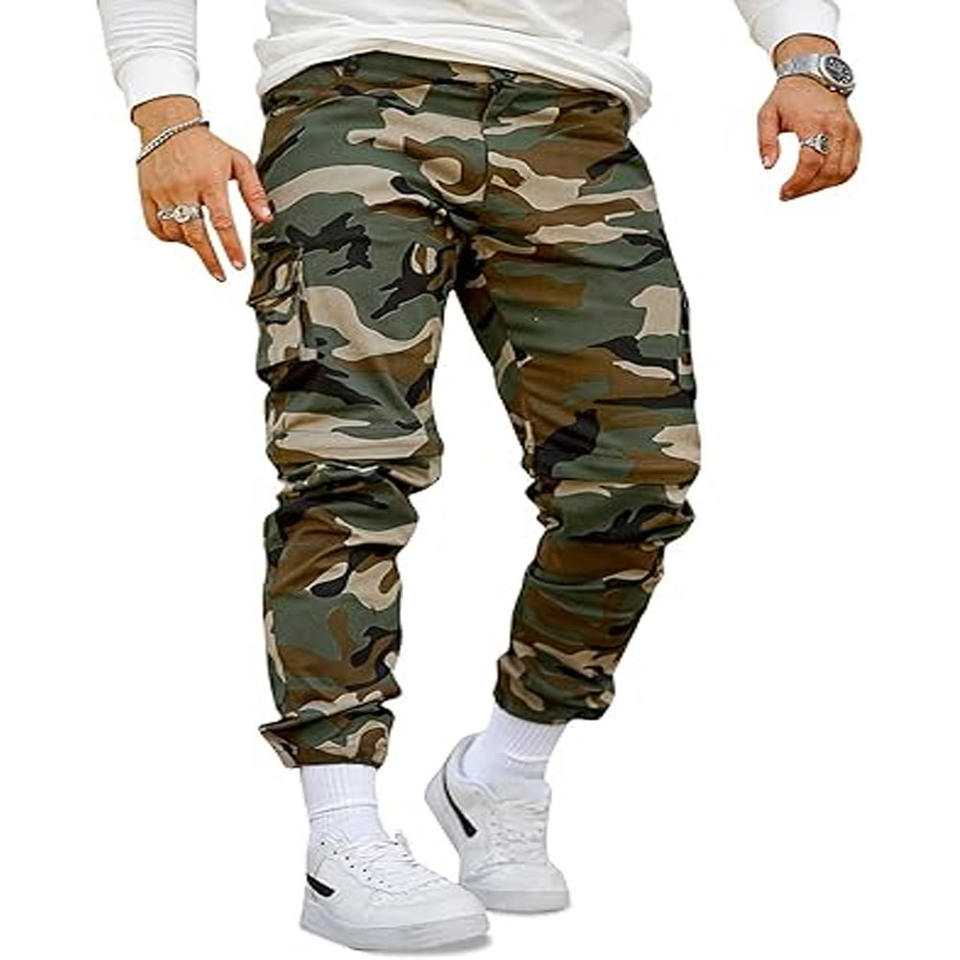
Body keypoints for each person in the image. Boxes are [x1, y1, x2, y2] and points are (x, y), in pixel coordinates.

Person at [98, 0, 861, 950]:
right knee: (346, 470)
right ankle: (341, 832)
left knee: (636, 478)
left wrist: (806, 53)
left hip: (573, 114)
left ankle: (503, 769)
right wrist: (164, 111)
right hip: (352, 92)